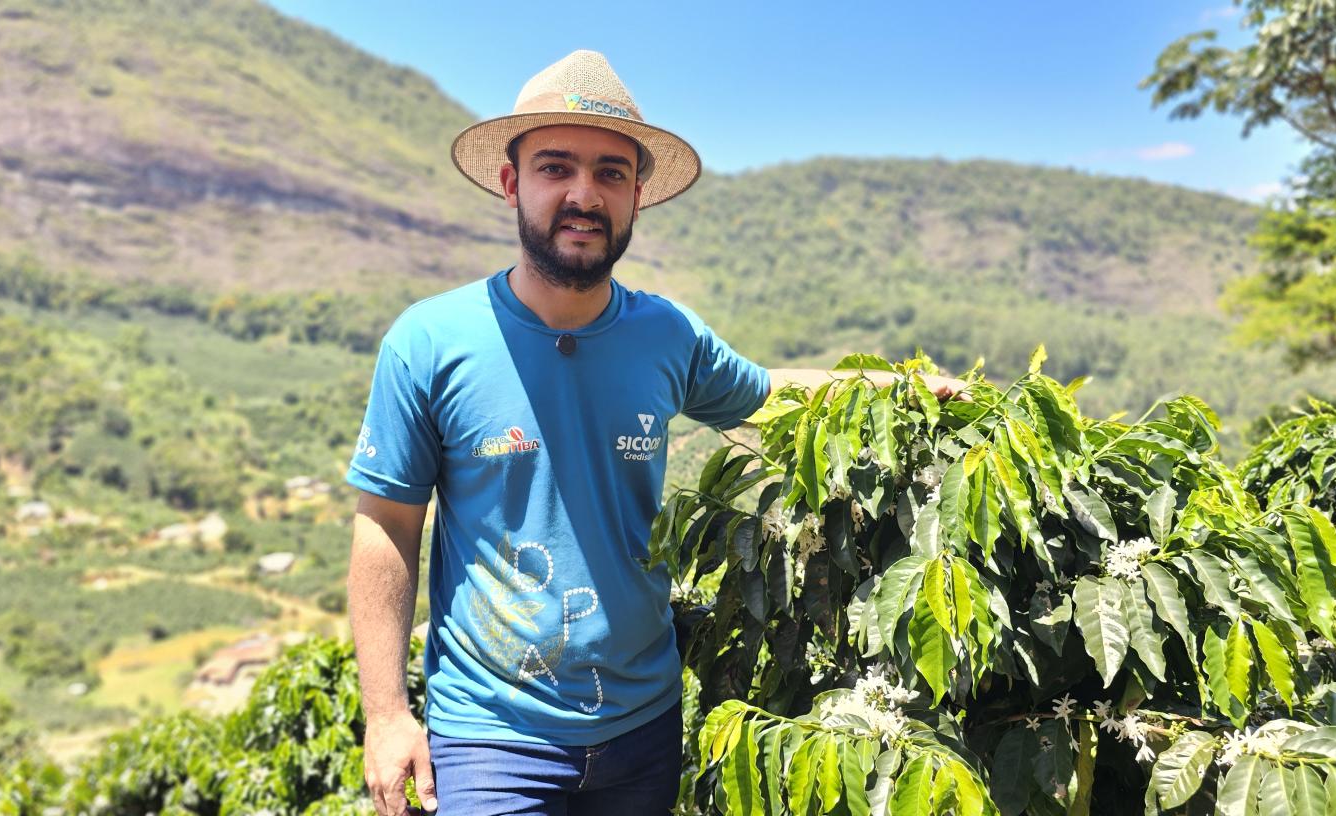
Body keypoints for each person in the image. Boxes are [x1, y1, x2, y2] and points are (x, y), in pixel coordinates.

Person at [347, 50, 962, 816]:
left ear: (638, 195)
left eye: (610, 173)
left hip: (642, 728)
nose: (583, 194)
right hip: (491, 735)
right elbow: (387, 527)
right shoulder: (430, 341)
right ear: (512, 184)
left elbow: (770, 397)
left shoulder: (666, 336)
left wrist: (902, 388)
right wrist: (387, 713)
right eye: (555, 167)